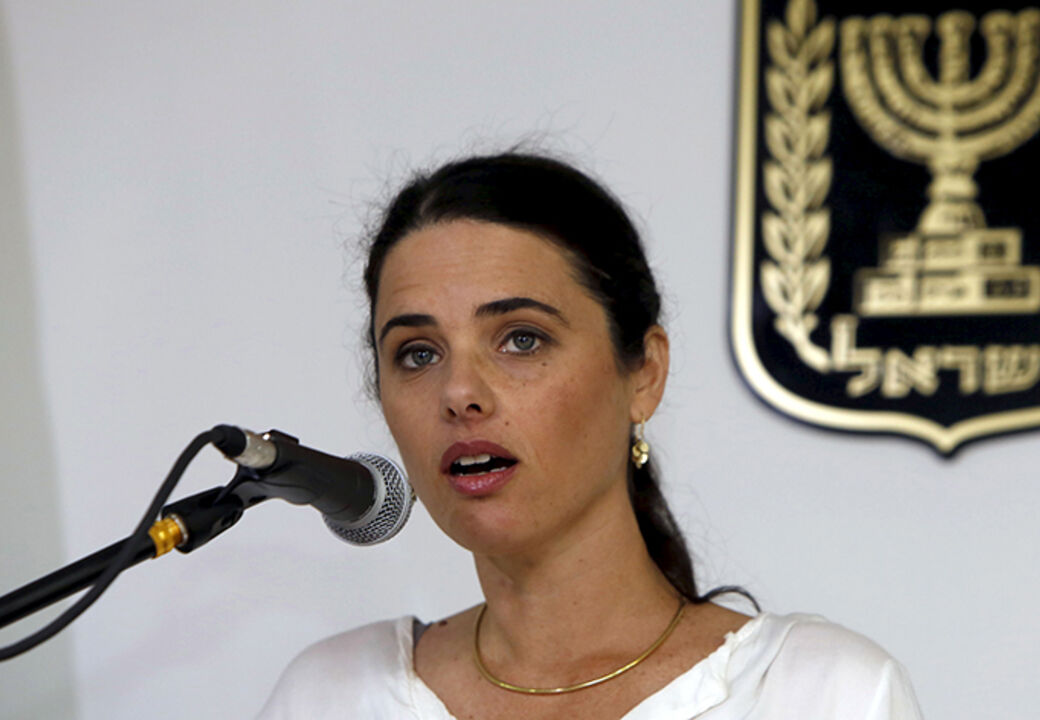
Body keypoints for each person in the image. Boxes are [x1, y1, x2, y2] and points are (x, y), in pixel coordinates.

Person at [257, 152, 924, 719]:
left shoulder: (822, 695)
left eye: (521, 339)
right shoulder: (330, 696)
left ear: (644, 375)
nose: (459, 392)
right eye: (418, 353)